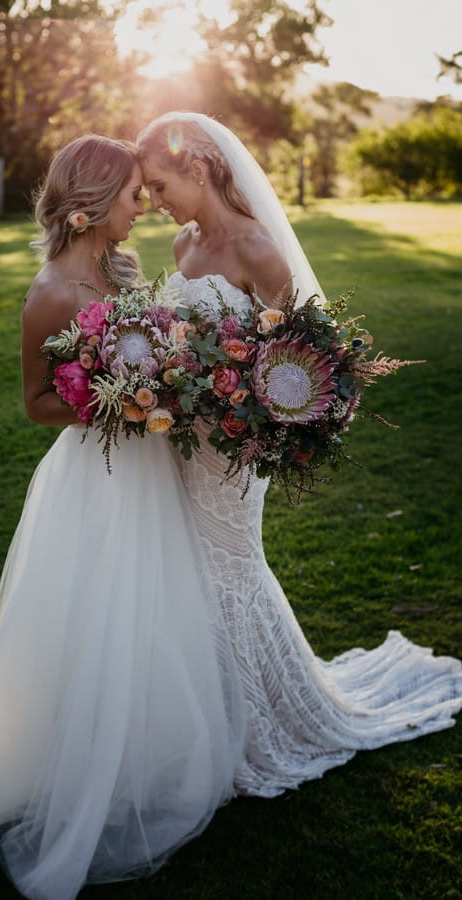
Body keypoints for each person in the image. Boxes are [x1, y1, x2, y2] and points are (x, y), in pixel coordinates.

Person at [0, 134, 246, 899]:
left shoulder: (114, 269)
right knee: (96, 610)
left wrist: (163, 391)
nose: (144, 208)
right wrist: (119, 404)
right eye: (135, 195)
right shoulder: (50, 295)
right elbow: (34, 401)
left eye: (146, 192)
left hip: (148, 463)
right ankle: (74, 756)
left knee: (155, 606)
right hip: (98, 471)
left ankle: (146, 744)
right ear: (93, 206)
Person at [136, 111, 462, 798]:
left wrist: (247, 415)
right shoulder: (181, 246)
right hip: (181, 442)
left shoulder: (258, 250)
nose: (155, 202)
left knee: (230, 571)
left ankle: (258, 721)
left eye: (160, 185)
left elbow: (294, 361)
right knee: (189, 572)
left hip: (231, 447)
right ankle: (202, 718)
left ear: (197, 169)